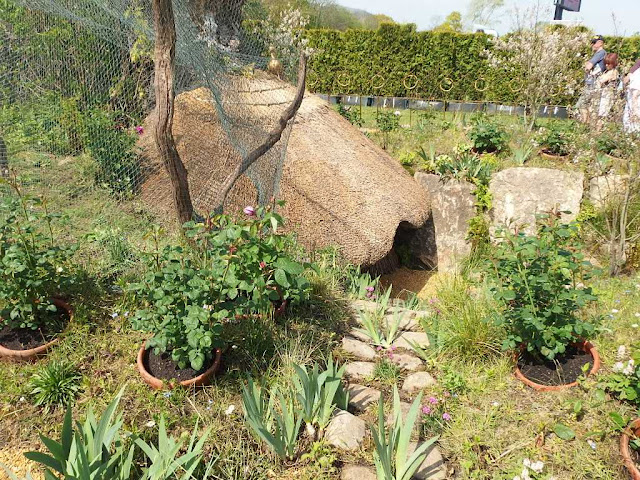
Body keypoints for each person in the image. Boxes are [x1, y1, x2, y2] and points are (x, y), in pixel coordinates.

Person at [577, 35, 607, 124]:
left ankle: (584, 124)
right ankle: (587, 126)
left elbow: (588, 66)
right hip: (592, 83)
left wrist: (587, 66)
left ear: (600, 43)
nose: (591, 45)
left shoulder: (601, 53)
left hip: (593, 83)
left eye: (594, 43)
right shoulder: (598, 54)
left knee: (582, 104)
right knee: (588, 106)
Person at [596, 53, 620, 120]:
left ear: (613, 63)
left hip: (608, 95)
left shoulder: (613, 72)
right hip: (603, 94)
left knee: (602, 115)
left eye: (609, 63)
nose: (606, 65)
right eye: (605, 63)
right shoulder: (607, 71)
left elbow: (601, 81)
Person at [623, 59, 640, 133]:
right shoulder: (637, 73)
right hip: (633, 102)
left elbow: (635, 95)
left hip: (634, 103)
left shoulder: (637, 73)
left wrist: (634, 110)